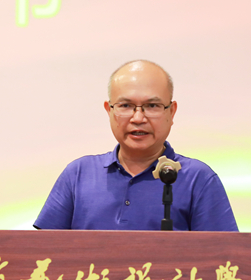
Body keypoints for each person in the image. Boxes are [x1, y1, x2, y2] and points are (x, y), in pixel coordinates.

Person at [34, 60, 238, 231]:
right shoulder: (78, 174)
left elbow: (224, 257)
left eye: (152, 106)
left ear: (171, 111)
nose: (138, 118)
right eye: (125, 106)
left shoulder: (198, 179)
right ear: (109, 111)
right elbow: (40, 252)